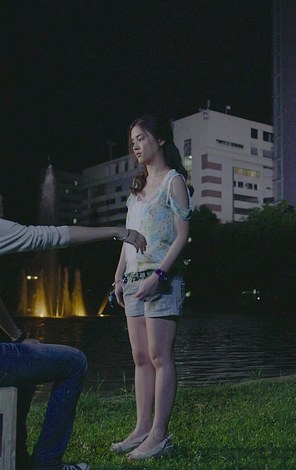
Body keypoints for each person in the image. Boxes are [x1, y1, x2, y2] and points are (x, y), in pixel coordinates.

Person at [0, 158, 146, 470]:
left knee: (25, 372)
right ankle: (48, 464)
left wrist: (19, 338)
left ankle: (18, 459)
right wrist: (117, 231)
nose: (2, 197)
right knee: (74, 363)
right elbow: (50, 235)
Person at [109, 116, 193, 461]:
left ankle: (159, 435)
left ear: (159, 140)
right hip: (132, 281)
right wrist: (118, 276)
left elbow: (182, 237)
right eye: (133, 141)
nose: (136, 145)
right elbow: (128, 237)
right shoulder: (137, 188)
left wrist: (159, 275)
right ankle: (142, 428)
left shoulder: (174, 181)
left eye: (141, 138)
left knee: (160, 356)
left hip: (161, 280)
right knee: (140, 358)